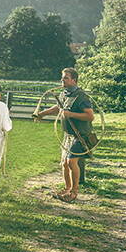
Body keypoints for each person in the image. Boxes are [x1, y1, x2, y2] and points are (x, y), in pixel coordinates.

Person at [34, 67, 96, 203]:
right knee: (64, 164)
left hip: (81, 136)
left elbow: (90, 116)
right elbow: (58, 108)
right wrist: (42, 114)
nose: (62, 80)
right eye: (62, 77)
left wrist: (70, 114)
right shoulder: (64, 94)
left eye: (66, 78)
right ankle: (67, 189)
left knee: (71, 162)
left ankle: (74, 192)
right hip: (68, 135)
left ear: (74, 80)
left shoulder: (82, 97)